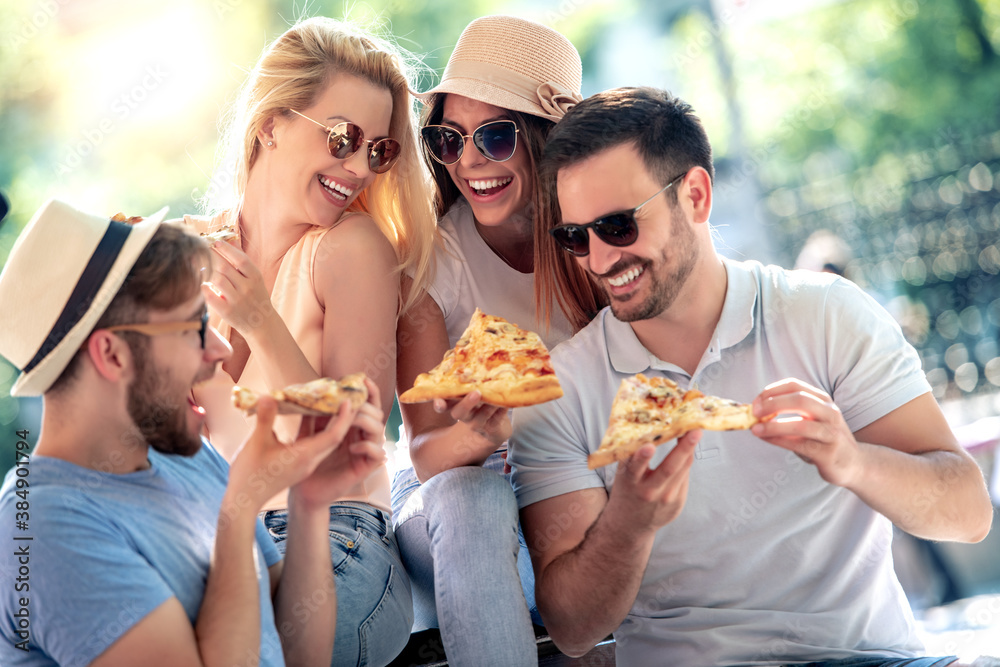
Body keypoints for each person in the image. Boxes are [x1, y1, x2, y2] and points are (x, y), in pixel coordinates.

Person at [509, 87, 994, 666]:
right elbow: (571, 630)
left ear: (695, 195)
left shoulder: (826, 314)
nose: (599, 259)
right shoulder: (560, 390)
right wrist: (630, 524)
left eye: (617, 226)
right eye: (574, 237)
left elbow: (969, 513)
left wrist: (853, 462)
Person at [0, 200, 387, 665]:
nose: (220, 350)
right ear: (113, 354)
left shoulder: (190, 458)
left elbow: (296, 655)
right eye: (193, 327)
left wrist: (308, 502)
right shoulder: (43, 527)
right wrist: (238, 512)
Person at [186, 17, 436, 666]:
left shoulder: (351, 248)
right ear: (271, 122)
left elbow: (347, 442)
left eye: (378, 151)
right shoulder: (189, 252)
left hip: (337, 537)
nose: (358, 168)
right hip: (216, 537)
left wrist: (259, 319)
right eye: (342, 138)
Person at [390, 15, 594, 665]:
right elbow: (427, 452)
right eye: (448, 138)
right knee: (471, 495)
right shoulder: (432, 260)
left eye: (496, 135)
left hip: (570, 499)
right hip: (454, 510)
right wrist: (487, 430)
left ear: (547, 140)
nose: (469, 160)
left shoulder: (602, 239)